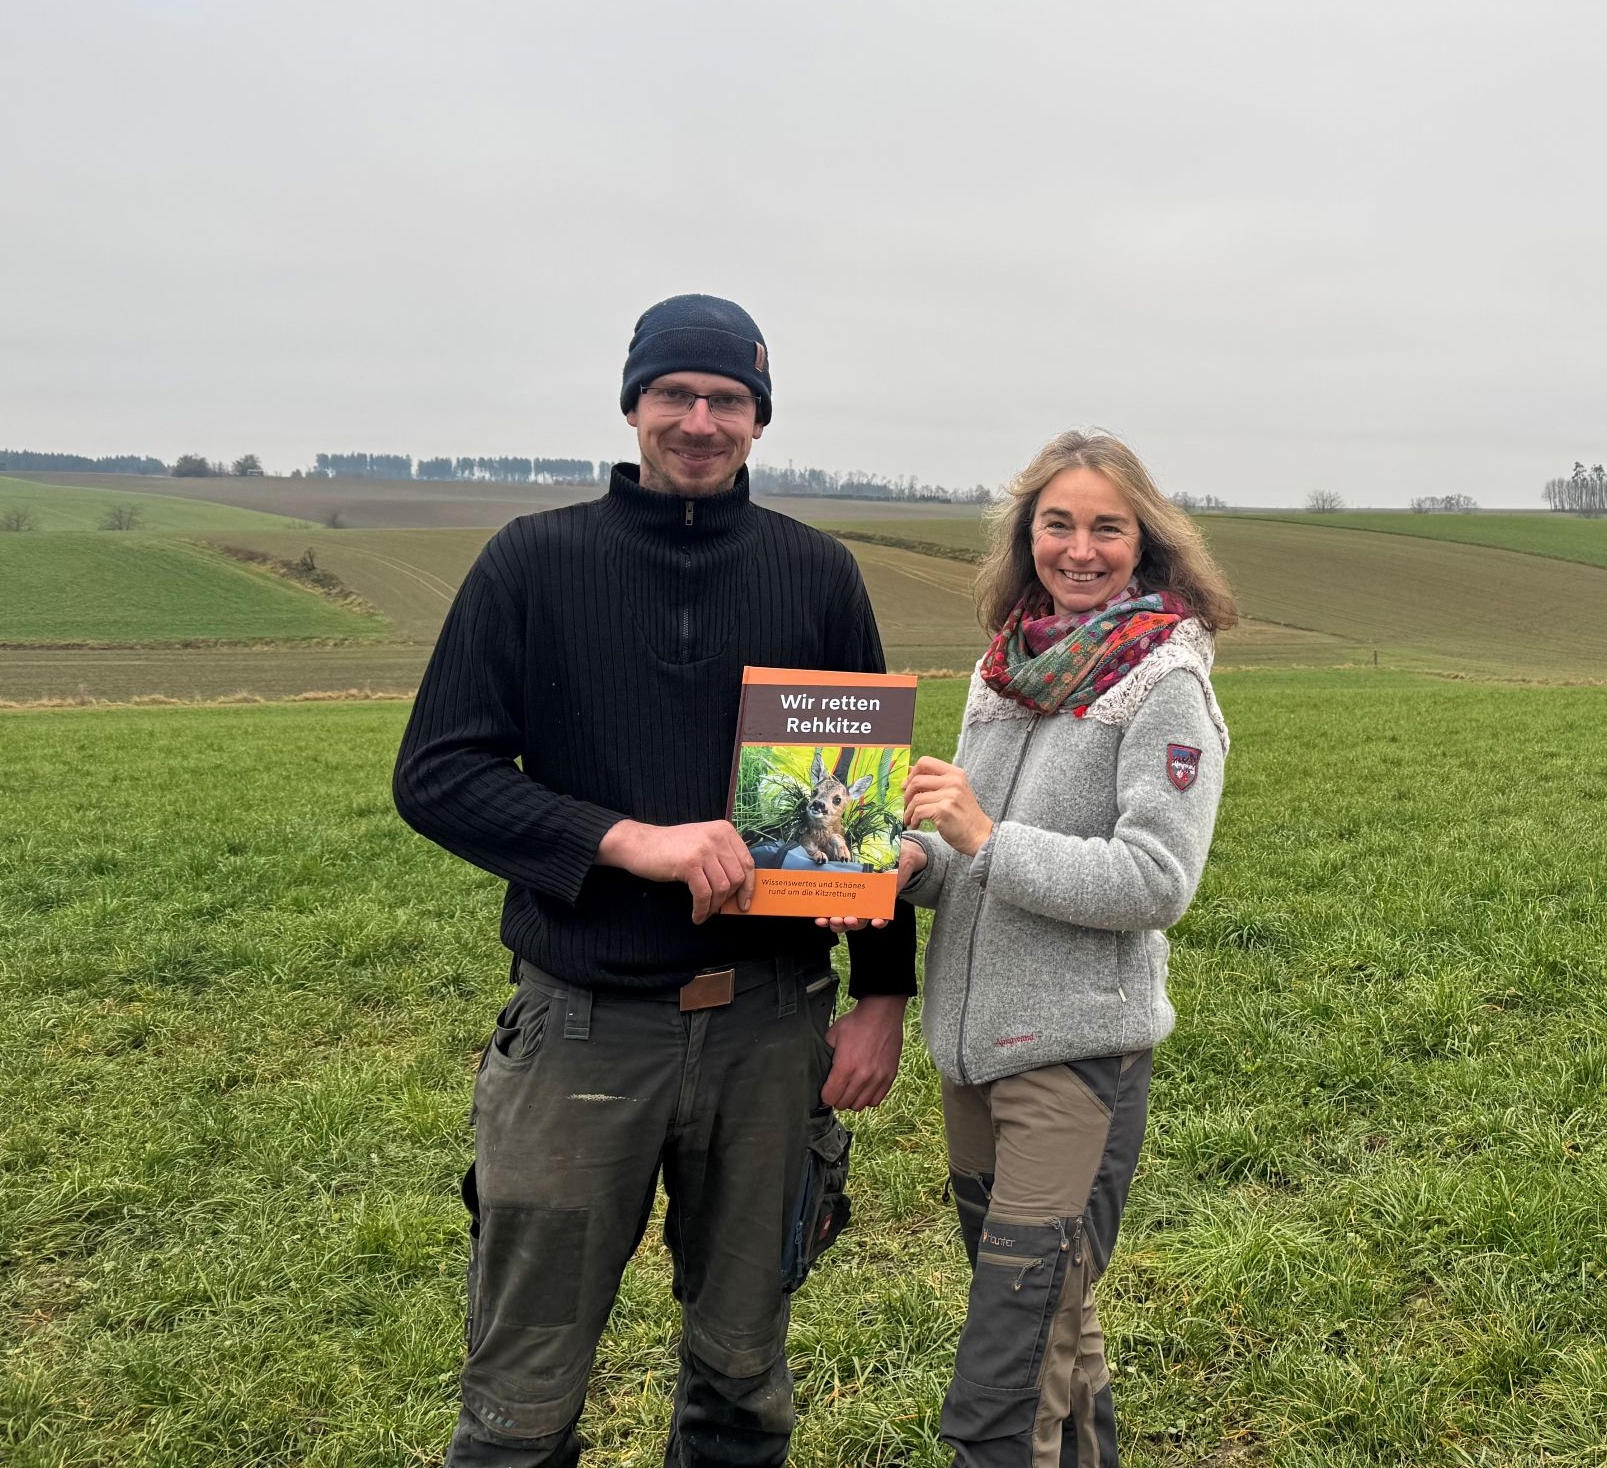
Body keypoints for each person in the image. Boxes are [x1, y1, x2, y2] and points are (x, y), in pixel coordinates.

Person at [393, 293, 916, 1467]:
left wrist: (883, 993)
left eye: (728, 399)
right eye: (674, 393)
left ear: (759, 419)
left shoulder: (815, 573)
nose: (699, 420)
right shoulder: (533, 562)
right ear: (632, 404)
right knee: (520, 1402)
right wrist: (628, 839)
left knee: (742, 1380)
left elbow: (864, 804)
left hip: (769, 1030)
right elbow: (435, 775)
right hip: (581, 1031)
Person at [894, 429, 1236, 1468]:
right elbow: (971, 860)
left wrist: (984, 840)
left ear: (1145, 543)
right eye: (1057, 524)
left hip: (1074, 1063)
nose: (1078, 549)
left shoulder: (1165, 681)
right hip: (970, 1054)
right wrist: (912, 865)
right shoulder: (1004, 668)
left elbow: (1154, 881)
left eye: (1106, 528)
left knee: (1006, 1371)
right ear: (1025, 535)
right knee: (1054, 1324)